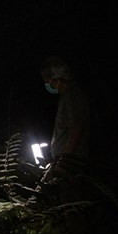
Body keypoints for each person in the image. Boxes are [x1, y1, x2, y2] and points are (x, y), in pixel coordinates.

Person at [39, 56, 90, 201]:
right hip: (63, 161)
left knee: (69, 204)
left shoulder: (72, 96)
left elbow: (76, 128)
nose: (48, 85)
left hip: (69, 164)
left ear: (58, 79)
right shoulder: (68, 96)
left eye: (48, 82)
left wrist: (64, 162)